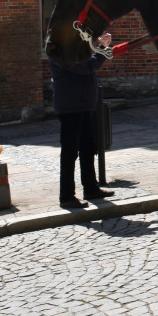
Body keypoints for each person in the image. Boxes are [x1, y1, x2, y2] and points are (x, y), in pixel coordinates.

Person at [50, 32, 116, 208]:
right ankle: (66, 196)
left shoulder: (71, 48)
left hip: (83, 104)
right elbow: (88, 65)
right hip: (71, 106)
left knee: (88, 148)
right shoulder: (59, 50)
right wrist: (102, 48)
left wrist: (100, 46)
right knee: (70, 152)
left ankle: (91, 188)